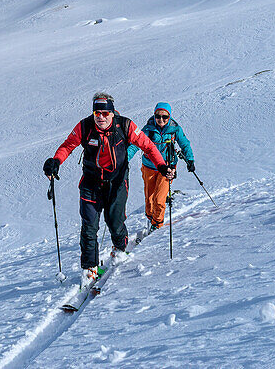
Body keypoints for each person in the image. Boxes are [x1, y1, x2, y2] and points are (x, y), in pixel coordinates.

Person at [43, 92, 167, 283]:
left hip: (117, 182)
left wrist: (161, 165)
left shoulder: (125, 125)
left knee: (115, 221)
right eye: (97, 113)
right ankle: (89, 268)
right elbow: (68, 145)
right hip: (91, 183)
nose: (100, 117)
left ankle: (119, 248)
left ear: (111, 113)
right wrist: (55, 161)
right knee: (89, 226)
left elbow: (148, 146)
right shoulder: (85, 126)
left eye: (104, 113)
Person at [127, 102, 195, 230]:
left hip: (168, 168)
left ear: (169, 116)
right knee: (149, 198)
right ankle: (150, 217)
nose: (161, 119)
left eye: (165, 117)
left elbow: (185, 144)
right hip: (149, 167)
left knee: (159, 199)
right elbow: (135, 144)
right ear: (154, 116)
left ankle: (157, 225)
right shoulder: (148, 129)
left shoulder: (175, 129)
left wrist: (190, 160)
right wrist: (124, 159)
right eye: (158, 116)